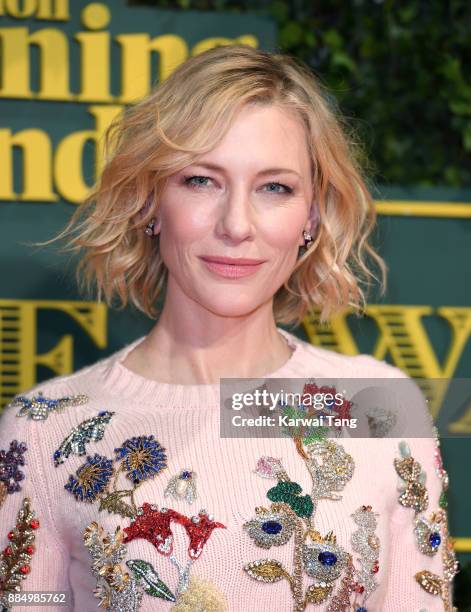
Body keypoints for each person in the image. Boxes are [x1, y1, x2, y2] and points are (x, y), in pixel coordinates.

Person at [0, 45, 458, 612]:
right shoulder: (47, 431)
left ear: (311, 216)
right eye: (201, 180)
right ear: (150, 202)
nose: (237, 225)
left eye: (275, 188)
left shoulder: (375, 407)